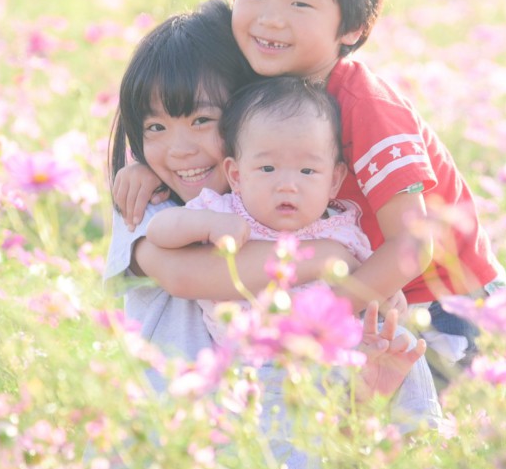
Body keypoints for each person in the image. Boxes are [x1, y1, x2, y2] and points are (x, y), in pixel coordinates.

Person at [118, 0, 506, 381]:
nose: (270, 19)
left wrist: (322, 316)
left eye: (300, 3)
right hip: (360, 285)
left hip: (443, 299)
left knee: (420, 430)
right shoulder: (262, 78)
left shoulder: (367, 107)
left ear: (353, 28)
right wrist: (144, 164)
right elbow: (191, 122)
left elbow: (412, 248)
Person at [103, 0, 442, 469]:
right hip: (166, 422)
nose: (178, 149)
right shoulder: (145, 199)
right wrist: (322, 258)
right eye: (155, 128)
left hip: (258, 410)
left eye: (202, 121)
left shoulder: (299, 207)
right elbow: (182, 272)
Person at [149, 75, 427, 376]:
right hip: (246, 363)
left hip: (317, 361)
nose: (288, 185)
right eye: (267, 168)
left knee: (400, 345)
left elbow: (369, 281)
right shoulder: (224, 210)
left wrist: (387, 295)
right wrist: (207, 224)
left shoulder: (341, 231)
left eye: (307, 171)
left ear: (334, 180)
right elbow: (158, 230)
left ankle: (409, 413)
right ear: (236, 175)